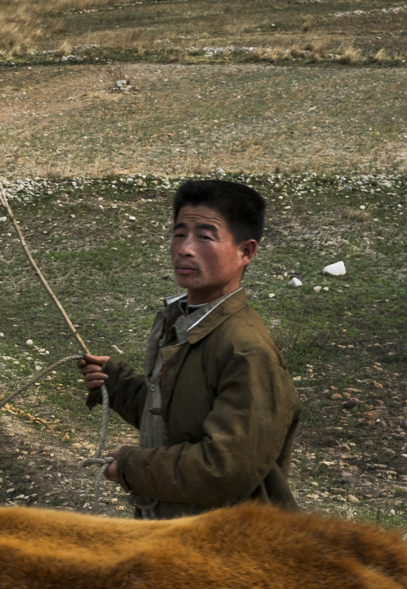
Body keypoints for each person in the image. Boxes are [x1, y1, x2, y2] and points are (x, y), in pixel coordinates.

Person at [79, 179, 300, 517]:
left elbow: (225, 470)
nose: (185, 248)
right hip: (173, 535)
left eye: (205, 236)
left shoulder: (246, 349)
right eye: (179, 234)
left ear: (246, 252)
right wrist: (116, 382)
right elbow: (177, 420)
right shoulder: (183, 322)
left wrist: (131, 467)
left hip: (222, 550)